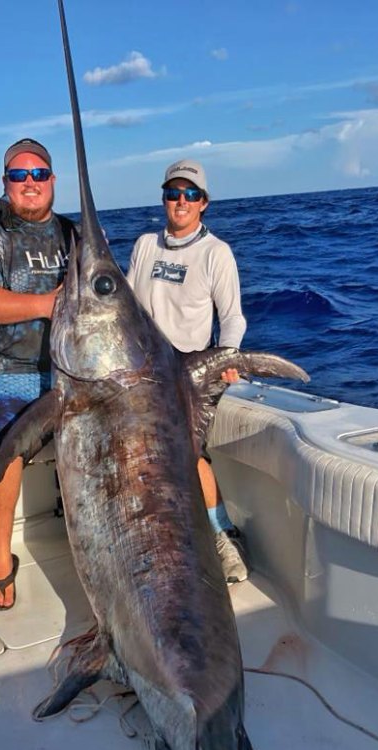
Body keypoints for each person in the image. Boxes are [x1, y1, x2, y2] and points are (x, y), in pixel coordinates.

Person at [0, 138, 75, 609]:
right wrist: (47, 305)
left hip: (75, 369)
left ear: (52, 180)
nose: (30, 184)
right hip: (13, 367)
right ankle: (2, 562)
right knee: (4, 451)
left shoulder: (74, 234)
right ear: (6, 183)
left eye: (38, 174)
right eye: (19, 175)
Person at [127, 159, 249, 583]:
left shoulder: (216, 253)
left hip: (188, 372)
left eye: (191, 194)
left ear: (204, 204)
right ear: (164, 199)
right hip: (141, 371)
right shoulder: (145, 245)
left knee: (187, 450)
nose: (181, 201)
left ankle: (221, 536)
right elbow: (127, 310)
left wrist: (227, 357)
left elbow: (232, 318)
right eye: (174, 193)